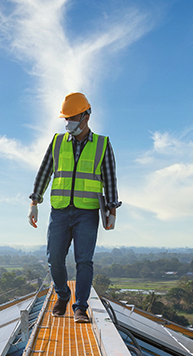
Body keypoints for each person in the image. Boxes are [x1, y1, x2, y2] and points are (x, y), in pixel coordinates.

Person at [28, 92, 121, 323]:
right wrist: (34, 201)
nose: (67, 122)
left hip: (87, 212)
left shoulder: (102, 144)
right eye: (65, 118)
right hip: (59, 210)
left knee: (84, 261)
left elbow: (110, 179)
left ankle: (80, 306)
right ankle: (62, 295)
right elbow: (44, 172)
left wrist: (112, 210)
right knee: (54, 259)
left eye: (72, 117)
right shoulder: (58, 142)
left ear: (86, 116)